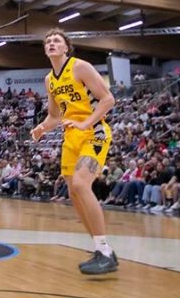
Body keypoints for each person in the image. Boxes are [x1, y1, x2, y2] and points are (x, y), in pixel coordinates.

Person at [31, 29, 118, 275]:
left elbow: (108, 99)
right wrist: (41, 128)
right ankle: (103, 250)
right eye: (47, 41)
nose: (51, 43)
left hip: (94, 133)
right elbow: (55, 115)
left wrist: (85, 123)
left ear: (66, 48)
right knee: (74, 194)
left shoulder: (80, 67)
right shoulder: (49, 79)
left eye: (56, 40)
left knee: (81, 185)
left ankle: (104, 251)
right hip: (71, 137)